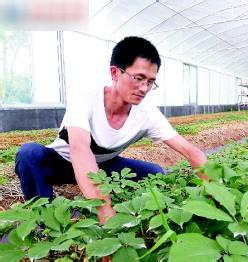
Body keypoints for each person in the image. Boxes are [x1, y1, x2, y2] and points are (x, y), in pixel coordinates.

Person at [15, 36, 207, 224]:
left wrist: (216, 189)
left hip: (104, 166)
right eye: (138, 78)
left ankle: (134, 216)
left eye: (150, 82)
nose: (144, 88)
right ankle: (45, 224)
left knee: (155, 173)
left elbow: (190, 151)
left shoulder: (147, 113)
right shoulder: (86, 97)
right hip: (61, 163)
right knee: (29, 153)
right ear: (115, 73)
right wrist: (105, 211)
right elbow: (80, 150)